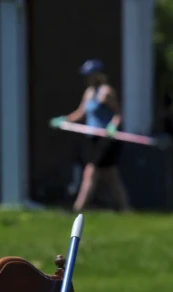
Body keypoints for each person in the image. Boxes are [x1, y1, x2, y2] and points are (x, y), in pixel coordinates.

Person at [52, 59, 130, 213]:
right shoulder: (89, 93)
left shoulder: (106, 92)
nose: (87, 78)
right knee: (111, 176)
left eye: (90, 75)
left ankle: (77, 209)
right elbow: (81, 113)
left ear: (98, 75)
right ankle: (126, 209)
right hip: (92, 139)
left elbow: (118, 114)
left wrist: (112, 126)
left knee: (90, 172)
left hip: (106, 139)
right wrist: (64, 120)